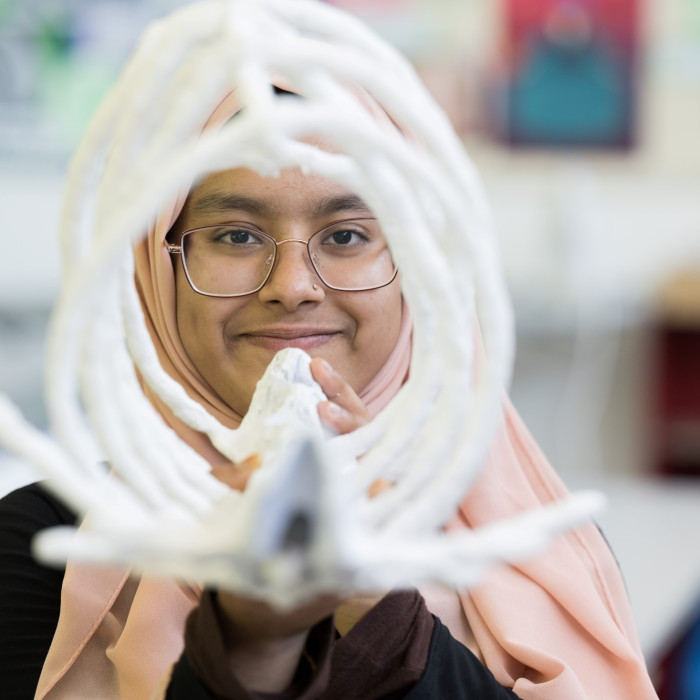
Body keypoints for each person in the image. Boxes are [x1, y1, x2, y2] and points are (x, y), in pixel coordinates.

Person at [0, 3, 658, 699]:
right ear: (159, 273)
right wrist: (252, 643)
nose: (292, 287)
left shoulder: (533, 554)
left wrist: (371, 603)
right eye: (235, 236)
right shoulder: (52, 545)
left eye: (346, 235)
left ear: (423, 270)